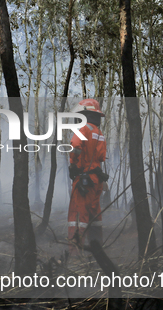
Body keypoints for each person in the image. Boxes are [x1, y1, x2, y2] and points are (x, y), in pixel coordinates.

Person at [67, 99, 108, 253]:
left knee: (77, 217)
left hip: (84, 180)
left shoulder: (83, 129)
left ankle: (75, 253)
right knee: (94, 217)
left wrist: (73, 166)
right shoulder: (99, 132)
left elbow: (75, 146)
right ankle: (97, 252)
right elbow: (99, 157)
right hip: (96, 181)